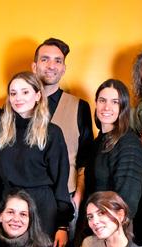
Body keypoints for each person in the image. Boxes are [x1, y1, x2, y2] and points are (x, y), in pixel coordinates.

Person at [0, 71, 72, 246]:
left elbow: (61, 182)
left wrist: (62, 225)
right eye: (13, 93)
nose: (18, 98)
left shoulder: (52, 133)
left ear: (37, 96)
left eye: (25, 92)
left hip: (42, 209)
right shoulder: (2, 132)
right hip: (11, 209)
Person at [31, 38, 95, 220]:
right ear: (34, 66)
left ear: (64, 68)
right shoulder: (18, 103)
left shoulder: (79, 107)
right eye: (45, 59)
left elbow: (85, 158)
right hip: (26, 201)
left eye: (58, 61)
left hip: (67, 199)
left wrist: (78, 196)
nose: (51, 66)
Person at [87, 79, 142, 243]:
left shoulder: (129, 145)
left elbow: (127, 203)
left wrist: (109, 237)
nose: (107, 107)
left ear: (123, 107)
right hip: (99, 229)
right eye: (102, 100)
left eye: (115, 102)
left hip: (120, 236)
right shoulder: (98, 142)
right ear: (96, 103)